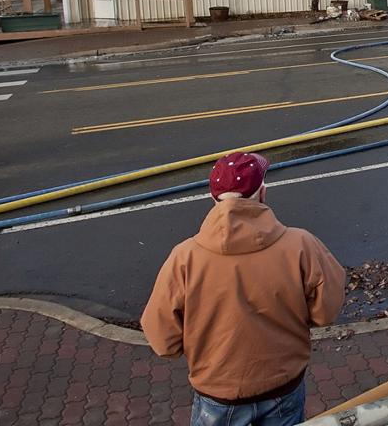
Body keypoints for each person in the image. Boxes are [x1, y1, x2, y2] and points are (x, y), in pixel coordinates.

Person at [142, 152, 345, 426]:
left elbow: (163, 340)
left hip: (217, 394)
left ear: (212, 199)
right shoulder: (301, 245)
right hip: (283, 389)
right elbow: (325, 312)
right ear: (263, 192)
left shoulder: (184, 257)